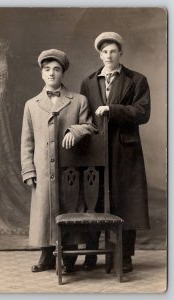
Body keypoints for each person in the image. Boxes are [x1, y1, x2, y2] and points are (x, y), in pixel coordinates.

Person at [21, 49, 97, 274]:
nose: (52, 73)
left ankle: (69, 259)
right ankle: (46, 256)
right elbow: (27, 140)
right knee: (45, 212)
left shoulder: (78, 100)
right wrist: (28, 170)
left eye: (56, 69)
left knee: (68, 209)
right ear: (42, 74)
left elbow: (91, 126)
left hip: (70, 172)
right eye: (47, 70)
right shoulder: (32, 104)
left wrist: (75, 129)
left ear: (63, 73)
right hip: (43, 169)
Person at [80, 32, 150, 273]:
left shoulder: (136, 80)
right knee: (94, 200)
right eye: (104, 51)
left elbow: (143, 113)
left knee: (126, 202)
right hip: (96, 149)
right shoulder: (88, 82)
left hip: (125, 149)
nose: (108, 55)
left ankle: (124, 257)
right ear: (99, 54)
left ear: (121, 53)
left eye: (113, 51)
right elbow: (85, 115)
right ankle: (91, 255)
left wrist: (112, 109)